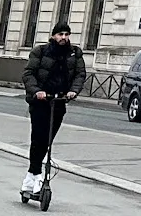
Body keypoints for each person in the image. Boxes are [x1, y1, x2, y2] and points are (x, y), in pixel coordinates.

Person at [21, 20, 86, 197]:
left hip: (59, 102)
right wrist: (37, 91)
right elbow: (28, 74)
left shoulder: (74, 53)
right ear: (53, 36)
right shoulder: (40, 51)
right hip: (40, 102)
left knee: (47, 141)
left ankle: (31, 177)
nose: (63, 38)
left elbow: (80, 74)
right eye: (60, 34)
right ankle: (35, 175)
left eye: (66, 34)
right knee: (38, 139)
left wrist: (73, 91)